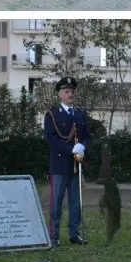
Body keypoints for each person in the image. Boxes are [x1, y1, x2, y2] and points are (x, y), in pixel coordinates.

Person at [44, 76, 91, 247]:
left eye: (72, 91)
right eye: (66, 91)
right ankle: (54, 236)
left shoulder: (79, 114)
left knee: (75, 202)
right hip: (59, 164)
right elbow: (50, 138)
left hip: (76, 166)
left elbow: (86, 137)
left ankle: (74, 233)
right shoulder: (52, 115)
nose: (70, 94)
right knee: (56, 202)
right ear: (60, 94)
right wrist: (70, 149)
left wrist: (83, 147)